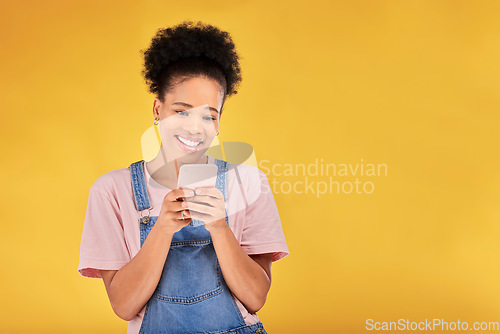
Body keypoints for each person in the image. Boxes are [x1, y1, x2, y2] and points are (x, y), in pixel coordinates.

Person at [78, 20, 289, 334]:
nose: (195, 127)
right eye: (181, 110)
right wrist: (161, 228)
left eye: (209, 115)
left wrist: (219, 226)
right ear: (157, 109)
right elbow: (124, 306)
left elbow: (256, 297)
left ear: (219, 122)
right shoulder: (112, 190)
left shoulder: (248, 182)